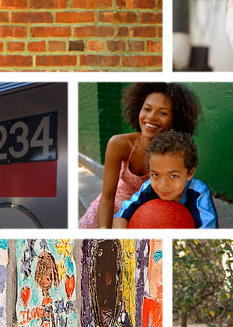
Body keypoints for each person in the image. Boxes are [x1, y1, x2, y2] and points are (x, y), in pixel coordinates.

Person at [79, 83, 201, 229]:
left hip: (145, 217)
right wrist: (103, 230)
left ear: (175, 120)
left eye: (162, 113)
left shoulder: (177, 155)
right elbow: (108, 195)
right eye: (147, 109)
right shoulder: (119, 143)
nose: (151, 117)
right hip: (110, 212)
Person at [113, 130, 218, 229]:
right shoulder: (148, 187)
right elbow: (122, 215)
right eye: (155, 175)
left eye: (173, 176)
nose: (163, 185)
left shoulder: (199, 192)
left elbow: (209, 231)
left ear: (189, 173)